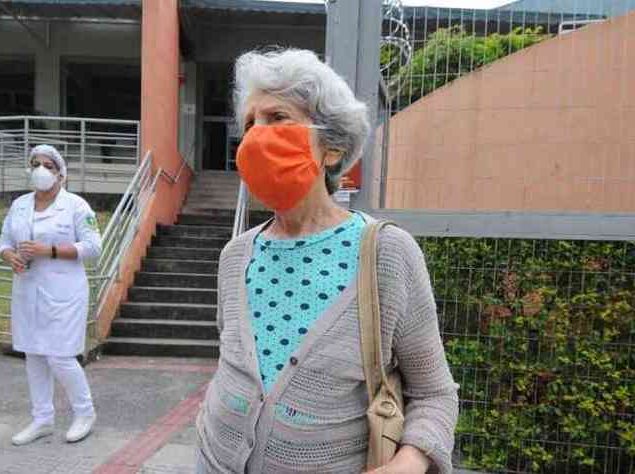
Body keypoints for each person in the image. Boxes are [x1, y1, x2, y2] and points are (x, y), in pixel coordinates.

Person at [195, 49, 459, 473]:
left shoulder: (387, 254)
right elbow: (237, 368)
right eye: (249, 124)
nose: (256, 136)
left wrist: (408, 462)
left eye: (277, 118)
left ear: (331, 148)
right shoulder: (235, 256)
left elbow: (435, 394)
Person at [0, 144, 102, 446]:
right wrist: (10, 257)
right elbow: (3, 241)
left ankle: (85, 412)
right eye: (35, 163)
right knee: (34, 354)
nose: (40, 169)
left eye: (48, 164)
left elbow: (94, 248)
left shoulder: (76, 207)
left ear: (60, 174)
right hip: (27, 289)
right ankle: (42, 419)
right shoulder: (19, 205)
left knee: (59, 356)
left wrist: (50, 250)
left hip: (64, 292)